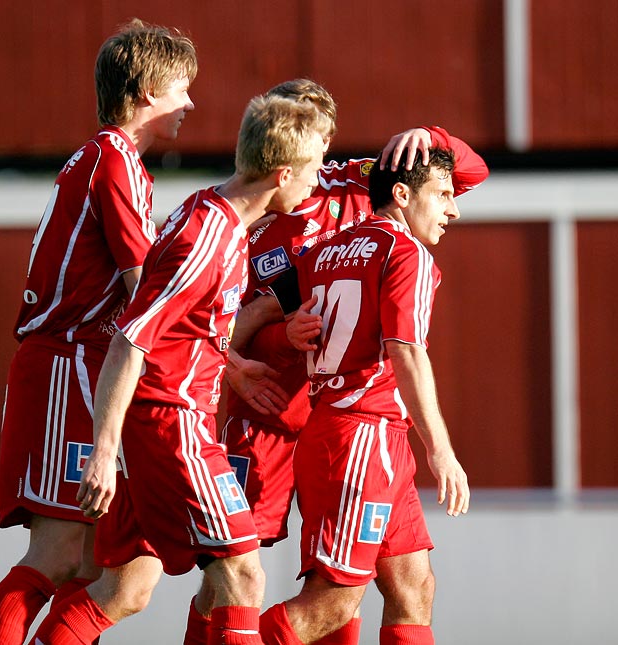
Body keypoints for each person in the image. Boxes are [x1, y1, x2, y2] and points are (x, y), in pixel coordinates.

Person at [184, 79, 489, 644]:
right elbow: (219, 317)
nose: (321, 158)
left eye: (324, 140)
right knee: (247, 578)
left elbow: (462, 174)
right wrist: (241, 362)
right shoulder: (250, 214)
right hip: (296, 418)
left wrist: (431, 136)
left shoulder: (347, 201)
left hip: (350, 421)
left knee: (411, 585)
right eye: (310, 144)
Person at [26, 93, 329, 645]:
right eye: (311, 172)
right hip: (171, 422)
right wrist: (103, 448)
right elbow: (129, 338)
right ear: (283, 172)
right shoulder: (206, 234)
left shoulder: (217, 216)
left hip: (172, 420)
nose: (316, 186)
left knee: (126, 589)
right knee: (242, 574)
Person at [0, 19, 197, 644]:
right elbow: (143, 292)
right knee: (62, 553)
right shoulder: (112, 157)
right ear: (148, 91)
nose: (191, 102)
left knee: (103, 564)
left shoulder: (116, 160)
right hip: (64, 366)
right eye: (182, 87)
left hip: (85, 365)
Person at [255, 142, 487, 644]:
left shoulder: (322, 251)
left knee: (413, 586)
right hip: (364, 436)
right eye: (443, 194)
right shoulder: (409, 255)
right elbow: (405, 350)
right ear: (402, 195)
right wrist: (442, 451)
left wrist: (242, 358)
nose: (454, 209)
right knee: (334, 601)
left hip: (345, 433)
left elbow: (251, 316)